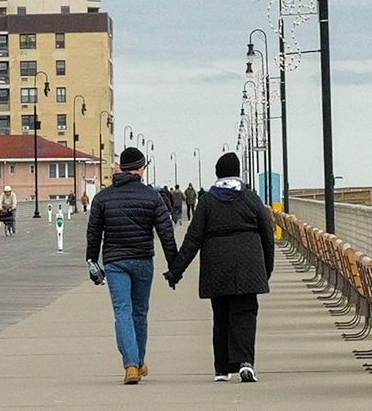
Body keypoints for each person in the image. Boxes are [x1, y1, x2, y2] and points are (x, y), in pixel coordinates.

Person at [164, 153, 274, 383]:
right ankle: (246, 362)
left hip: (217, 264)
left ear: (217, 173)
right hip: (248, 264)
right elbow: (267, 234)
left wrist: (176, 271)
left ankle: (222, 368)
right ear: (238, 171)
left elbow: (193, 239)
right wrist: (266, 268)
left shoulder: (207, 202)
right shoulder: (251, 198)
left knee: (221, 315)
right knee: (245, 313)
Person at [87, 147, 178, 385]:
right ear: (140, 169)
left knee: (122, 312)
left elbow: (94, 233)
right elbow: (165, 232)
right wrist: (174, 266)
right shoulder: (151, 196)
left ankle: (131, 364)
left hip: (115, 262)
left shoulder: (102, 198)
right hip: (142, 260)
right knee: (140, 312)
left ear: (120, 168)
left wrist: (91, 260)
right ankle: (136, 363)